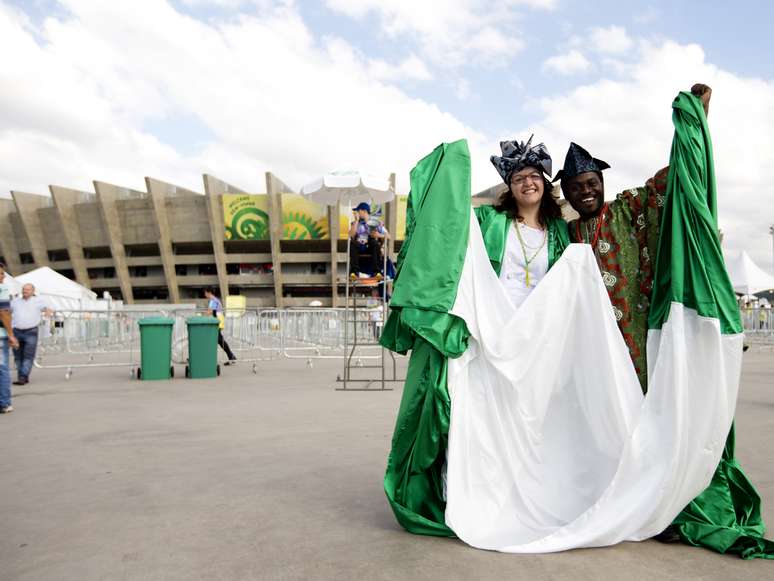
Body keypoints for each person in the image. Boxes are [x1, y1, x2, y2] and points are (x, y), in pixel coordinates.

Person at [556, 85, 774, 557]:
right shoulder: (564, 234)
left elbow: (671, 184)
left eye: (592, 182)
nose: (586, 191)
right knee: (597, 423)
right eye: (577, 187)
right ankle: (611, 497)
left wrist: (694, 125)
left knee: (649, 420)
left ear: (602, 183)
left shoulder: (629, 210)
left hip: (638, 342)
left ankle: (661, 503)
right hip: (590, 349)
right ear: (567, 194)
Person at [382, 137, 569, 537]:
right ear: (509, 187)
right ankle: (476, 491)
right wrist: (448, 174)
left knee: (532, 417)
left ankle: (524, 490)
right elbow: (454, 235)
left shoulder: (559, 233)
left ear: (545, 184)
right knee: (484, 412)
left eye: (534, 176)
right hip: (493, 332)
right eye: (519, 177)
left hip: (538, 338)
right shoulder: (492, 222)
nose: (528, 183)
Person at [10, 283, 53, 385]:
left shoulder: (38, 301)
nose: (25, 291)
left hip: (31, 331)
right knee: (18, 357)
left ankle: (23, 376)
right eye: (24, 289)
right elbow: (7, 312)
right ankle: (23, 376)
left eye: (28, 290)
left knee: (28, 356)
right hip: (16, 331)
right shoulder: (15, 302)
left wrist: (47, 312)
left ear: (33, 291)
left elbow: (49, 308)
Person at [348, 202, 388, 277]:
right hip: (359, 246)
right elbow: (350, 235)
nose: (356, 213)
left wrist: (379, 235)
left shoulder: (375, 222)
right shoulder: (355, 223)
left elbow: (388, 235)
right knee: (352, 243)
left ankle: (377, 272)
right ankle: (354, 272)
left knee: (374, 243)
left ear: (364, 211)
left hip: (370, 246)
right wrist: (356, 221)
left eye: (358, 211)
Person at [0, 263, 19, 414]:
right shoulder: (2, 289)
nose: (3, 277)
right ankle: (4, 402)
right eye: (0, 274)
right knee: (2, 369)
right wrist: (11, 335)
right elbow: (4, 312)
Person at [203, 288, 236, 365]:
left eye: (205, 293)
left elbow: (210, 311)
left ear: (209, 292)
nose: (204, 295)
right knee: (220, 341)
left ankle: (231, 356)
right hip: (217, 322)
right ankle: (231, 356)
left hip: (216, 323)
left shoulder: (213, 300)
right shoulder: (215, 300)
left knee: (217, 340)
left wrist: (201, 317)